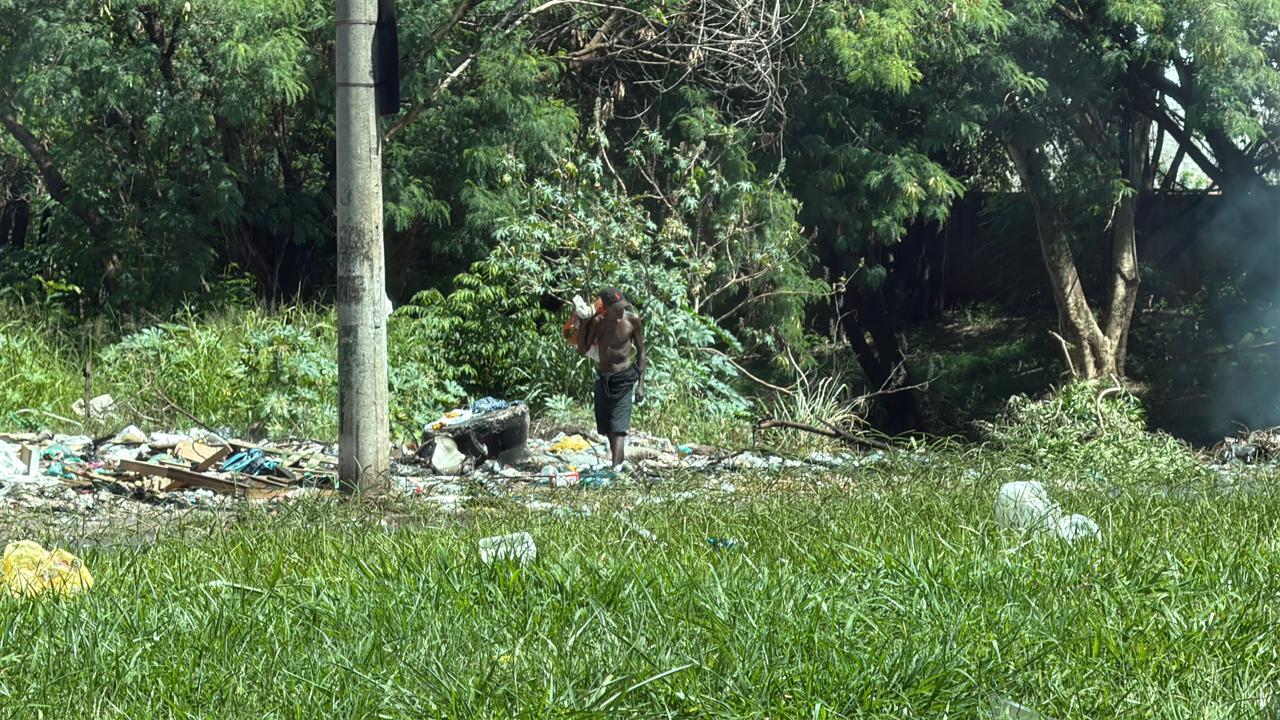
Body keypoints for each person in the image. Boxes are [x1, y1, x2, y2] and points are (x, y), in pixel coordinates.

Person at [576, 287, 645, 468]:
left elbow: (641, 353)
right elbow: (583, 349)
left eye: (622, 307)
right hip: (605, 379)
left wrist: (641, 384)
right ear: (605, 308)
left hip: (625, 377)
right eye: (616, 309)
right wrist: (584, 322)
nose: (620, 312)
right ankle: (619, 463)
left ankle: (615, 468)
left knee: (619, 427)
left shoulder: (633, 321)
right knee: (607, 427)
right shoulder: (598, 323)